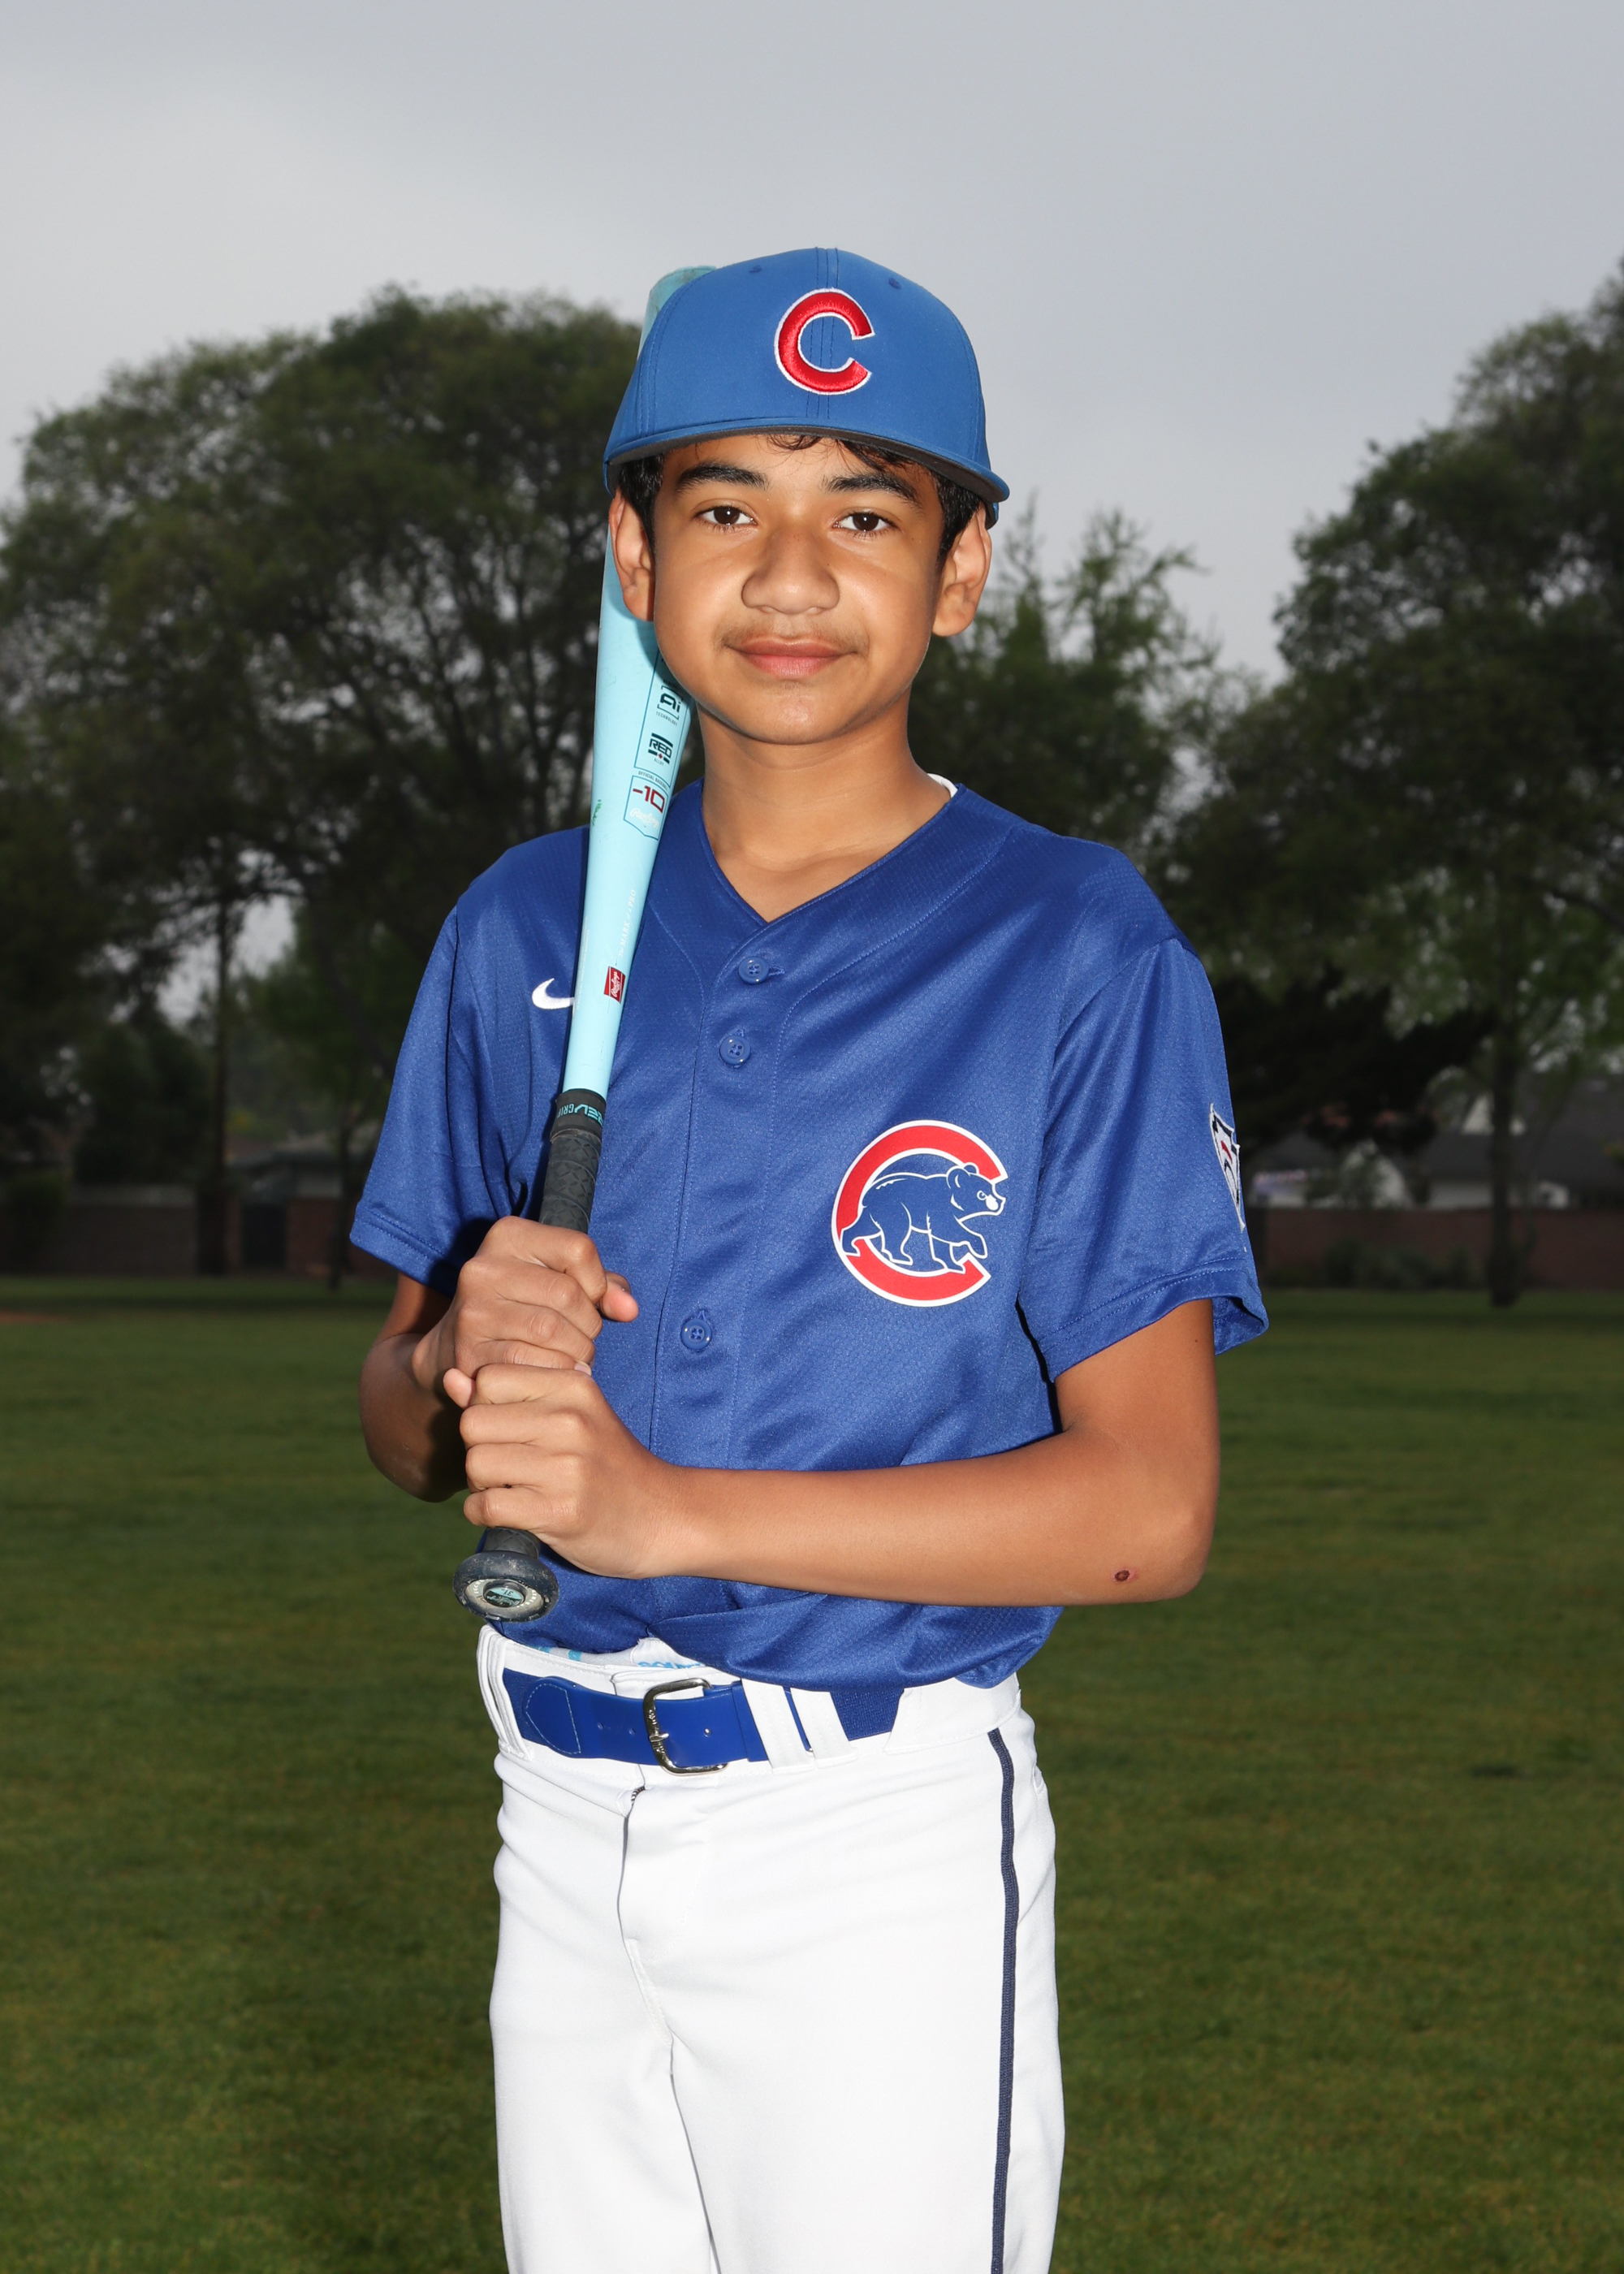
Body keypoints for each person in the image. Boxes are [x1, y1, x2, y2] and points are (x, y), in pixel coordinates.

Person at [353, 247, 1266, 2274]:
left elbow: (1152, 1508)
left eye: (861, 514)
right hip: (553, 1818)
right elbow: (402, 1418)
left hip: (867, 1843)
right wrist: (452, 1374)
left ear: (959, 572)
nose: (786, 576)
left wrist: (668, 1508)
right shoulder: (521, 927)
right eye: (723, 509)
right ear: (634, 554)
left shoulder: (1074, 942)